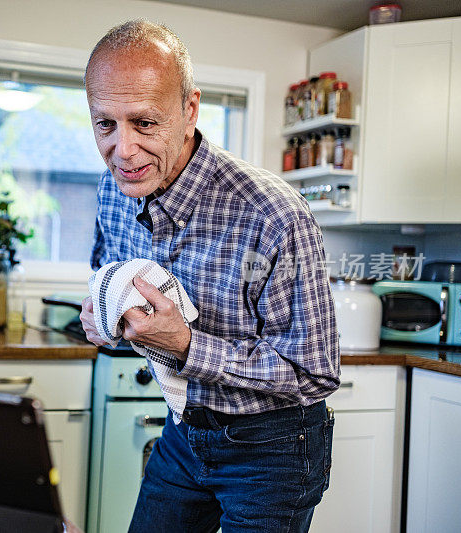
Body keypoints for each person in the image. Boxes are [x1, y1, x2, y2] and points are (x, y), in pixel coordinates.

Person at [80, 20, 340, 533]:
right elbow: (107, 281)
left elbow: (314, 372)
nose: (123, 151)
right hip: (184, 431)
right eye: (105, 124)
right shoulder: (113, 190)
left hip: (275, 448)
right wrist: (105, 322)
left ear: (189, 110)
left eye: (145, 123)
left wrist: (185, 345)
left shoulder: (272, 213)